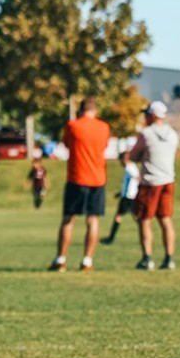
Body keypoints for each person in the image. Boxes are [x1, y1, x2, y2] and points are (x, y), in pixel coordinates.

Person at [49, 97, 110, 272]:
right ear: (95, 110)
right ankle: (87, 261)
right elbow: (104, 146)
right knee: (93, 219)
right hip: (98, 178)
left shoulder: (73, 126)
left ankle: (60, 260)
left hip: (77, 177)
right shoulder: (104, 127)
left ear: (80, 110)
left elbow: (67, 145)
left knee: (68, 219)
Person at [128, 101, 179, 270]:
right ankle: (169, 258)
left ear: (152, 115)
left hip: (150, 182)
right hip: (168, 180)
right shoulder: (172, 134)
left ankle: (147, 258)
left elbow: (134, 156)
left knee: (144, 219)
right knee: (165, 219)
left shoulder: (146, 133)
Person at [100, 151, 140, 245]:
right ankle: (146, 233)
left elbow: (137, 178)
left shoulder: (129, 168)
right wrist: (120, 193)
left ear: (124, 159)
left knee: (119, 216)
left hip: (128, 197)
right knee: (136, 217)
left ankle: (111, 238)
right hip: (130, 196)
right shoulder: (131, 167)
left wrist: (130, 192)